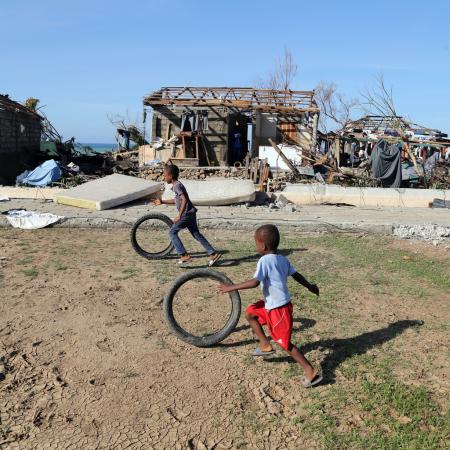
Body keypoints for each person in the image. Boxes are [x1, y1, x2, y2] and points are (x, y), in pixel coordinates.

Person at [218, 224, 322, 387]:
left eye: (256, 243)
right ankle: (265, 345)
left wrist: (231, 287)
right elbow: (296, 275)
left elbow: (254, 282)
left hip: (279, 309)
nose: (256, 246)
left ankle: (311, 371)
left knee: (284, 343)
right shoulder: (282, 259)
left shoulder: (264, 260)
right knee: (251, 313)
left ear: (263, 246)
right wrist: (310, 286)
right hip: (271, 304)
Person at [153, 164, 221, 266]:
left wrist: (180, 215)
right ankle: (213, 253)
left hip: (186, 214)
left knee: (172, 232)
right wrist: (162, 201)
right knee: (196, 234)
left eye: (165, 175)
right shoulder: (176, 185)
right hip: (190, 213)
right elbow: (177, 200)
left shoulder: (177, 185)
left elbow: (184, 199)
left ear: (170, 176)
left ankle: (183, 255)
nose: (164, 177)